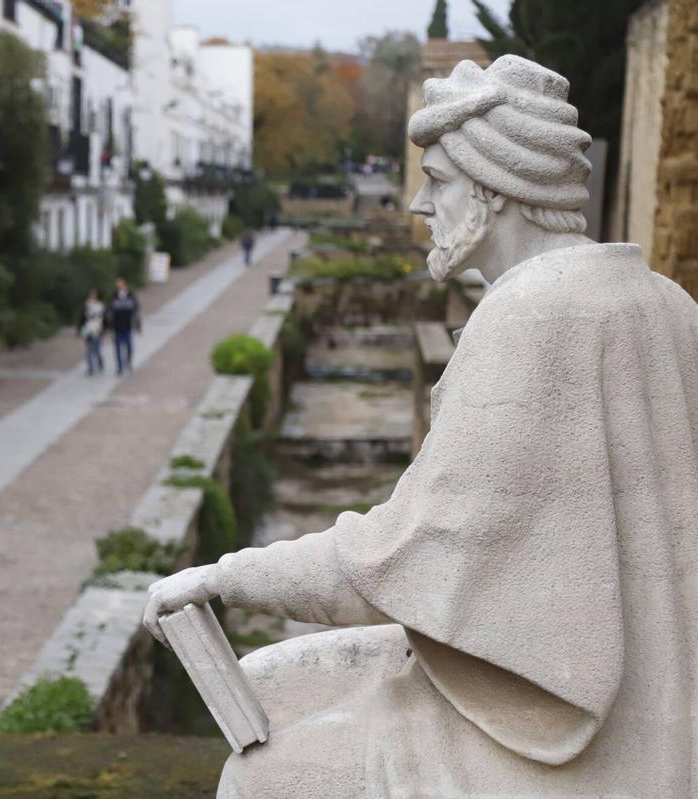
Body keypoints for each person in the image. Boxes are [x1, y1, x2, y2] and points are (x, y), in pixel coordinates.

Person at [146, 56, 698, 797]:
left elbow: (390, 562)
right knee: (267, 675)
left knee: (260, 775)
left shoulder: (528, 318)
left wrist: (224, 576)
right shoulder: (668, 302)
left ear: (492, 190)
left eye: (436, 179)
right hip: (659, 708)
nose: (416, 202)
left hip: (578, 755)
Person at [106, 277, 140, 376]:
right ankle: (120, 367)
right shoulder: (113, 297)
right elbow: (109, 312)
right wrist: (109, 325)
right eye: (118, 285)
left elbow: (136, 311)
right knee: (117, 349)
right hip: (117, 327)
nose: (119, 287)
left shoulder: (130, 296)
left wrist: (136, 325)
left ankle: (128, 363)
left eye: (121, 285)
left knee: (129, 348)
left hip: (127, 327)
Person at [76, 289, 106, 376]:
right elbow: (81, 319)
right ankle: (90, 368)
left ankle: (100, 362)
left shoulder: (100, 306)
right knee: (89, 350)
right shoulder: (85, 306)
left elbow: (104, 318)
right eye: (91, 295)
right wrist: (79, 330)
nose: (92, 297)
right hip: (88, 330)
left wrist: (105, 328)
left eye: (94, 295)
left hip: (97, 330)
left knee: (96, 350)